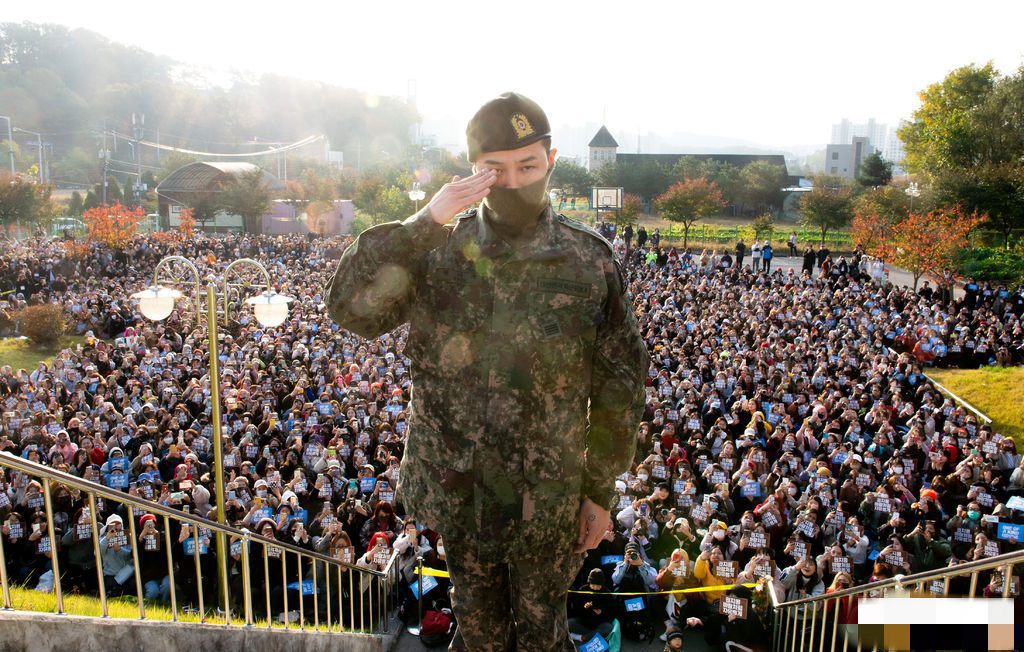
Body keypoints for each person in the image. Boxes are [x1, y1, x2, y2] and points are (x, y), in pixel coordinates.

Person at [324, 92, 650, 651]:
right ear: (473, 172)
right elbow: (351, 309)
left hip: (550, 496)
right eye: (495, 169)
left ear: (550, 161)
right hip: (463, 494)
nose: (515, 181)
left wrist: (598, 489)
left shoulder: (588, 259)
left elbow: (620, 384)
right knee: (478, 634)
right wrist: (426, 220)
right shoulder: (438, 249)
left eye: (527, 165)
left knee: (543, 633)